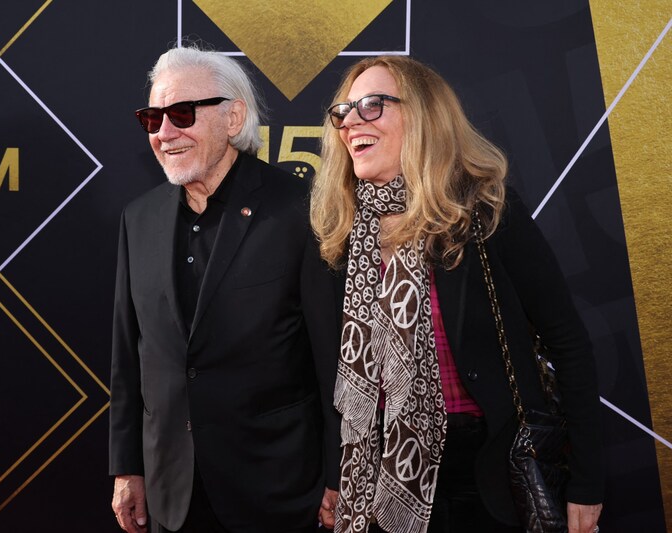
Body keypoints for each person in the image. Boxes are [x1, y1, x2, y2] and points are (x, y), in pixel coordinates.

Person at [310, 55, 604, 533]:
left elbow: (567, 342)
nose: (351, 123)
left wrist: (588, 482)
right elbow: (327, 379)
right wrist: (333, 473)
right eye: (344, 112)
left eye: (372, 105)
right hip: (374, 478)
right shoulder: (336, 235)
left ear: (426, 115)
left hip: (486, 478)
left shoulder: (487, 215)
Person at [109, 45, 341, 533]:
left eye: (181, 114)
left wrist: (339, 474)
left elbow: (333, 362)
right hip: (171, 491)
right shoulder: (139, 219)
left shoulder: (301, 212)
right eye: (153, 118)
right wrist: (127, 468)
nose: (164, 133)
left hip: (276, 489)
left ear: (233, 117)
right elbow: (130, 358)